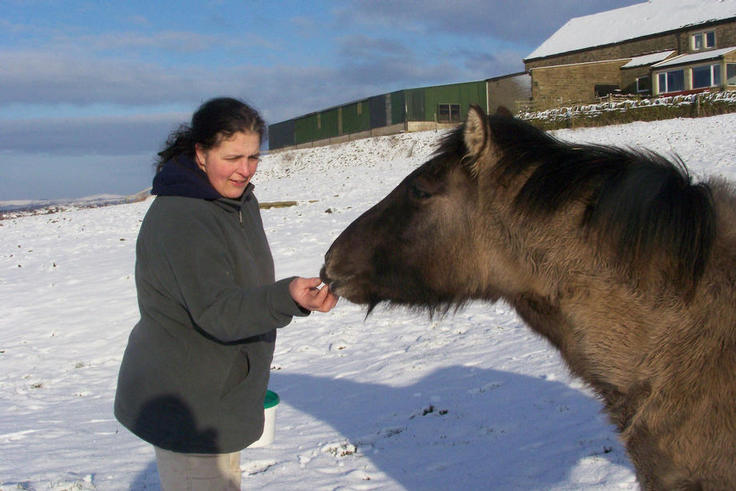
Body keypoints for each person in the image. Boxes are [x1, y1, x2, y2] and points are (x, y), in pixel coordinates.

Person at [114, 97, 338, 490]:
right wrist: (287, 297)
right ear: (201, 153)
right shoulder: (184, 216)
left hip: (220, 393)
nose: (245, 170)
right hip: (188, 405)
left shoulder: (237, 203)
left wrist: (294, 298)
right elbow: (218, 310)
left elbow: (240, 289)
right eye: (233, 157)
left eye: (253, 157)